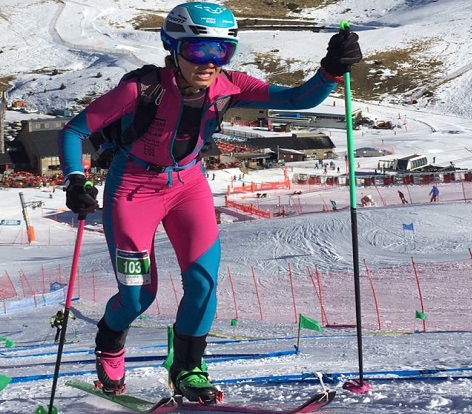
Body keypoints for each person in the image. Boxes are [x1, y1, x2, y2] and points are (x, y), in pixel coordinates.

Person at [57, 2, 362, 401]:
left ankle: (188, 369)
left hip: (188, 186)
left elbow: (298, 100)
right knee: (137, 296)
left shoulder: (229, 85)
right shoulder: (141, 89)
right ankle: (110, 344)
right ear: (174, 47)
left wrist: (331, 71)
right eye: (201, 50)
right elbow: (74, 130)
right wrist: (74, 179)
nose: (212, 61)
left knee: (202, 284)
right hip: (133, 188)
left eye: (223, 50)